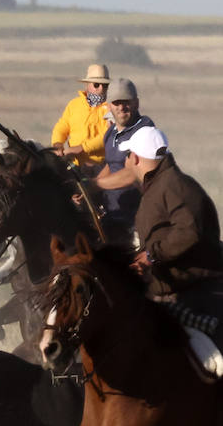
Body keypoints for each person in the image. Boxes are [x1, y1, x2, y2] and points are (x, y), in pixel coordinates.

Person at [125, 125, 223, 297]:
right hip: (177, 290)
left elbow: (189, 232)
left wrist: (151, 256)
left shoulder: (174, 185)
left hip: (197, 295)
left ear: (135, 158)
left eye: (127, 155)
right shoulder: (160, 186)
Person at [90, 78, 155, 238]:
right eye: (116, 102)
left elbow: (133, 174)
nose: (121, 107)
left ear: (136, 103)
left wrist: (95, 184)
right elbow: (112, 165)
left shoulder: (144, 130)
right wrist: (85, 190)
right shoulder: (110, 133)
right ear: (109, 105)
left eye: (126, 102)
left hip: (138, 223)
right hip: (112, 216)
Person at [51, 63, 112, 169]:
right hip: (74, 164)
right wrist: (57, 144)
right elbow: (62, 126)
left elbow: (108, 136)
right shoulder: (74, 104)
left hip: (101, 166)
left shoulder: (112, 107)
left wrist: (82, 148)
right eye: (96, 84)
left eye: (105, 85)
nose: (101, 88)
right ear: (87, 85)